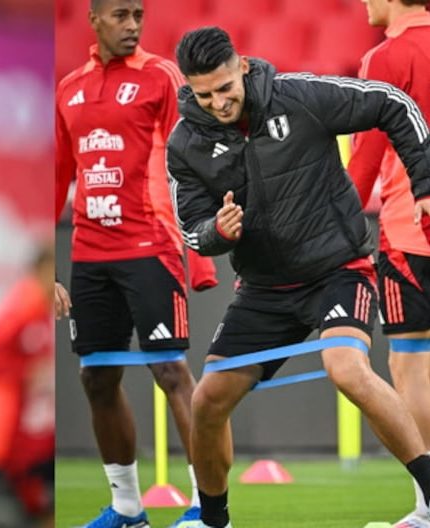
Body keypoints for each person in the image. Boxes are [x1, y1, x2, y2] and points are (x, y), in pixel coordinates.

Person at [167, 26, 430, 528]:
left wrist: (425, 182)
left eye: (225, 88)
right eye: (205, 94)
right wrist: (217, 232)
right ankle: (211, 519)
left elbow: (392, 103)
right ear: (191, 89)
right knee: (207, 401)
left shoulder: (301, 96)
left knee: (346, 368)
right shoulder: (185, 143)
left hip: (338, 269)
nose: (218, 103)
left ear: (241, 66)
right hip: (264, 291)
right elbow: (192, 231)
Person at [55, 1, 219, 526]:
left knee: (170, 370)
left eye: (139, 16)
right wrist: (50, 273)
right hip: (89, 254)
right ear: (94, 18)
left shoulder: (161, 78)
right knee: (96, 379)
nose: (132, 26)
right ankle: (128, 509)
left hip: (151, 246)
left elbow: (190, 164)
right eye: (120, 15)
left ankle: (205, 507)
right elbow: (56, 176)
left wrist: (201, 256)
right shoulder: (68, 89)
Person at [347, 2, 430, 526]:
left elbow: (366, 159)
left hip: (411, 232)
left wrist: (330, 231)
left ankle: (429, 506)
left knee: (411, 364)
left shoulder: (387, 57)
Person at [0, 243, 55, 528]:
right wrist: (29, 372)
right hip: (12, 437)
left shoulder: (37, 307)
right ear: (41, 270)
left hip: (29, 436)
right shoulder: (20, 308)